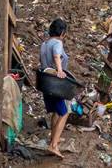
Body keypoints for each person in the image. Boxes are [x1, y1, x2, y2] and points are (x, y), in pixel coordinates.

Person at [39, 18, 69, 158]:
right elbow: (57, 56)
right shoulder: (57, 42)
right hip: (56, 83)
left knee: (56, 112)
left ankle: (53, 138)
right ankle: (53, 145)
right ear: (62, 32)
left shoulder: (44, 44)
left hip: (45, 81)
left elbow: (43, 62)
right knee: (65, 112)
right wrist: (60, 71)